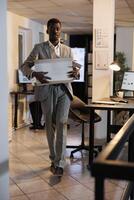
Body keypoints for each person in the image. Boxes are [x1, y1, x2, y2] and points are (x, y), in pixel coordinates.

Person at [20, 18, 80, 176]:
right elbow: (24, 66)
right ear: (47, 30)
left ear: (61, 30)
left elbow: (75, 69)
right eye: (52, 28)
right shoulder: (39, 48)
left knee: (61, 122)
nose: (55, 31)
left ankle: (60, 163)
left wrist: (76, 73)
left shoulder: (67, 50)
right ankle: (53, 158)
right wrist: (34, 74)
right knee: (50, 126)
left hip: (64, 91)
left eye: (58, 28)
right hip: (47, 90)